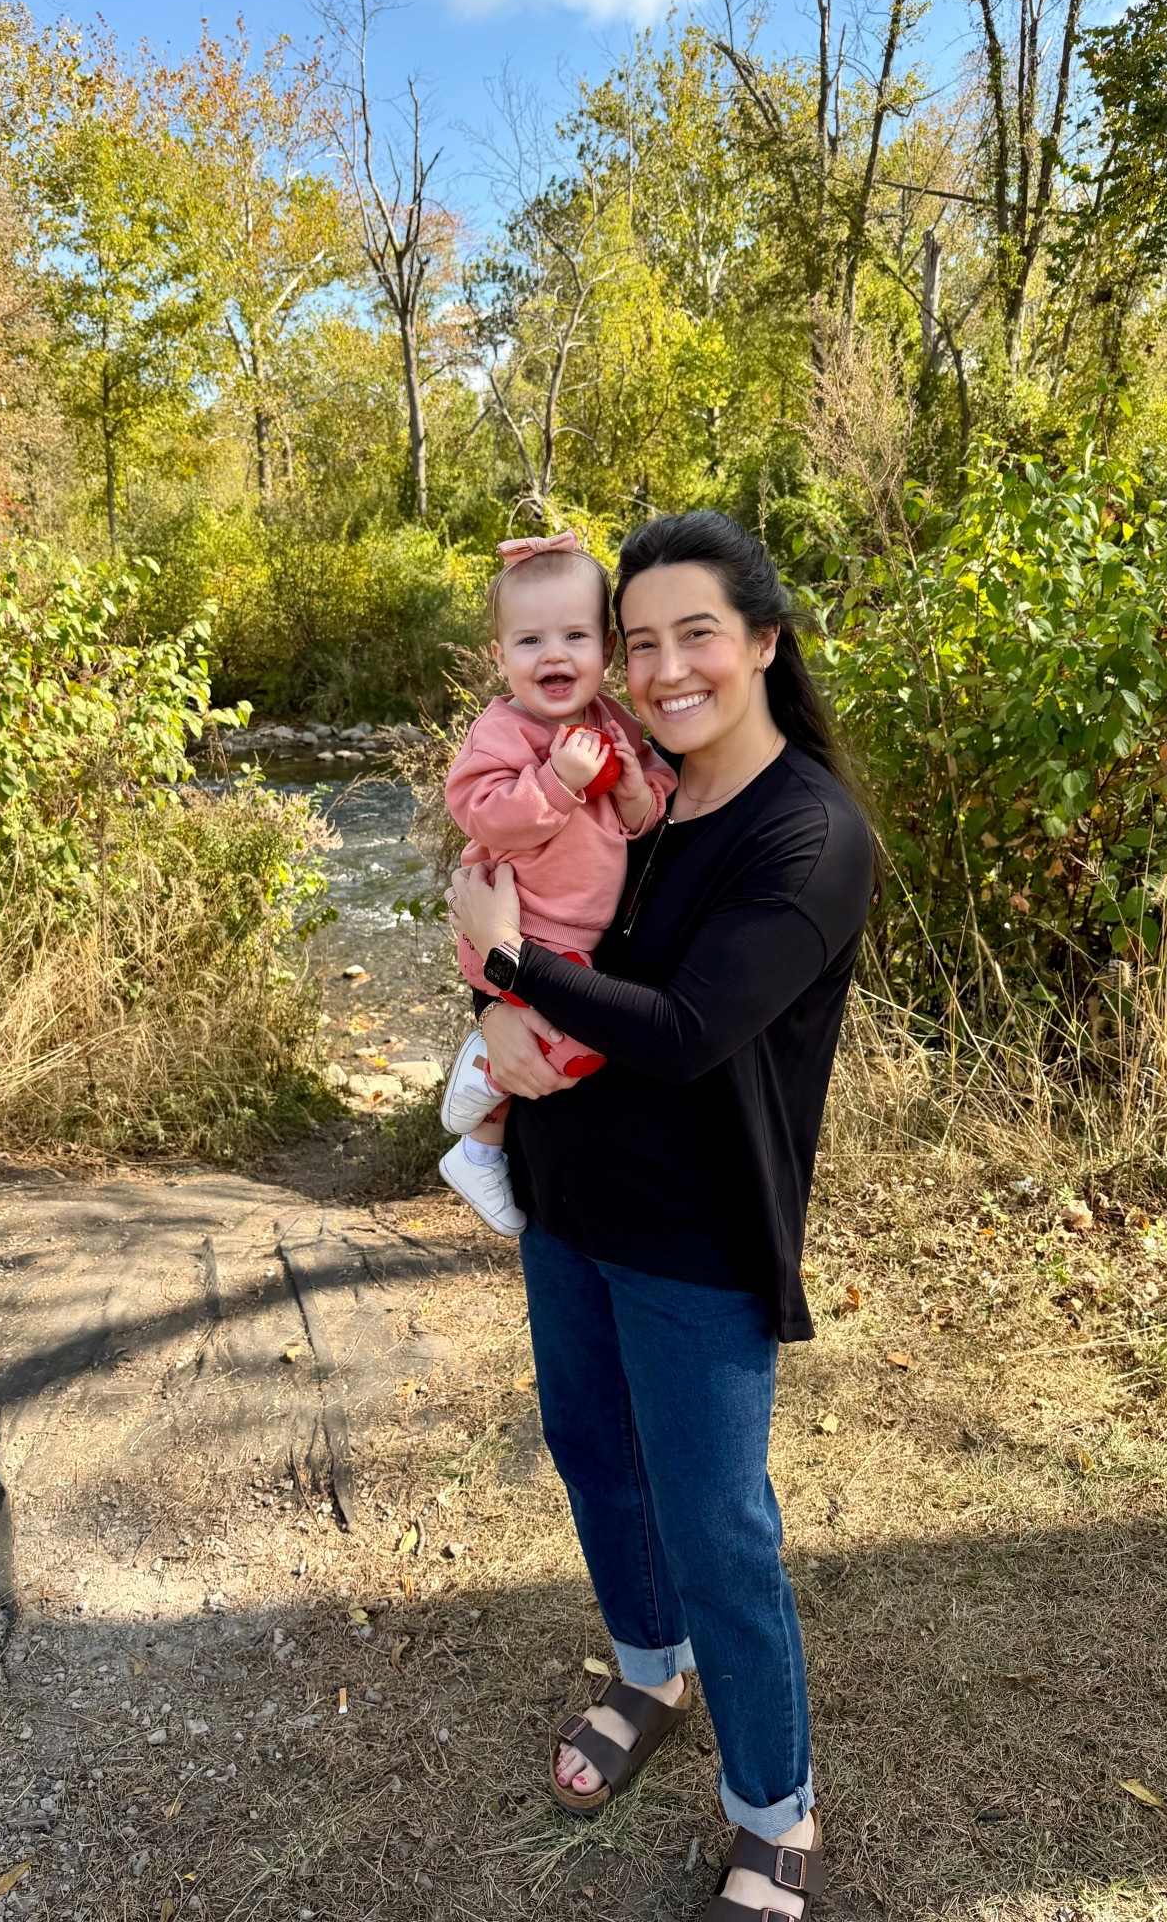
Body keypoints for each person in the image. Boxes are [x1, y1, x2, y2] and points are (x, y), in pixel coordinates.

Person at [448, 511, 874, 1922]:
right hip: (573, 1199)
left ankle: (774, 1809)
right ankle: (648, 1673)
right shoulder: (638, 786)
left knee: (716, 1522)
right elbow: (542, 927)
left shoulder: (808, 833)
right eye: (641, 642)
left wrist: (510, 965)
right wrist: (494, 1008)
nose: (665, 666)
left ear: (763, 640)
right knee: (589, 1455)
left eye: (698, 634)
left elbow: (688, 1029)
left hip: (694, 1235)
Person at [436, 528, 676, 1235]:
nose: (555, 655)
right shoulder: (503, 732)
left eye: (575, 635)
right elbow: (478, 811)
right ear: (500, 658)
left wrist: (634, 790)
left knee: (567, 1037)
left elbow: (650, 806)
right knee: (575, 1048)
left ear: (606, 648)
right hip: (519, 924)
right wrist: (558, 780)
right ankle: (482, 1111)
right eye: (531, 641)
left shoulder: (615, 723)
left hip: (570, 938)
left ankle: (482, 1134)